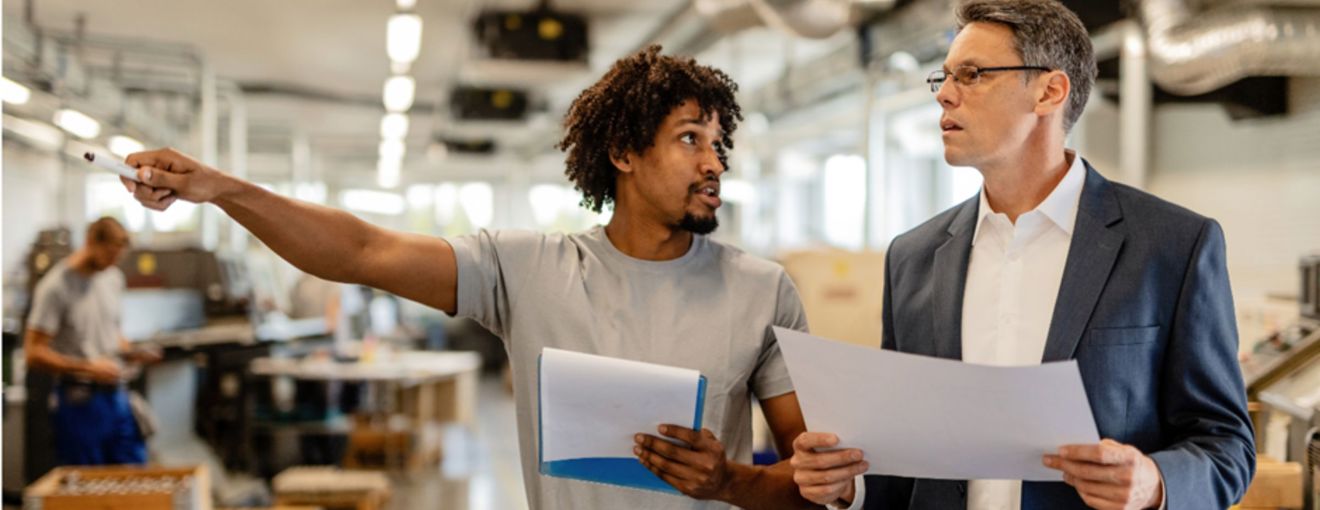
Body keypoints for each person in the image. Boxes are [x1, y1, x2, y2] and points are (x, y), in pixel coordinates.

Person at [119, 45, 815, 509]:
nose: (715, 163)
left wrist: (732, 479)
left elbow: (813, 480)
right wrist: (223, 189)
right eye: (690, 138)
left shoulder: (762, 288)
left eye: (720, 145)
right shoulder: (528, 269)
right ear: (624, 152)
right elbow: (360, 251)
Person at [788, 1, 1254, 509]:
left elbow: (1227, 445)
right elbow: (905, 457)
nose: (944, 95)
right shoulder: (913, 258)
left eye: (972, 74)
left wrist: (1155, 483)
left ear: (1049, 91)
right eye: (943, 77)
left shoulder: (1172, 246)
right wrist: (847, 483)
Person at [25, 217, 162, 466]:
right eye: (109, 254)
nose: (112, 262)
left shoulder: (112, 278)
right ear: (90, 242)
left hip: (117, 397)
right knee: (86, 484)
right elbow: (34, 352)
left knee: (133, 474)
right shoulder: (56, 287)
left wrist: (132, 352)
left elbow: (111, 334)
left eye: (118, 257)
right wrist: (89, 368)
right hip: (79, 401)